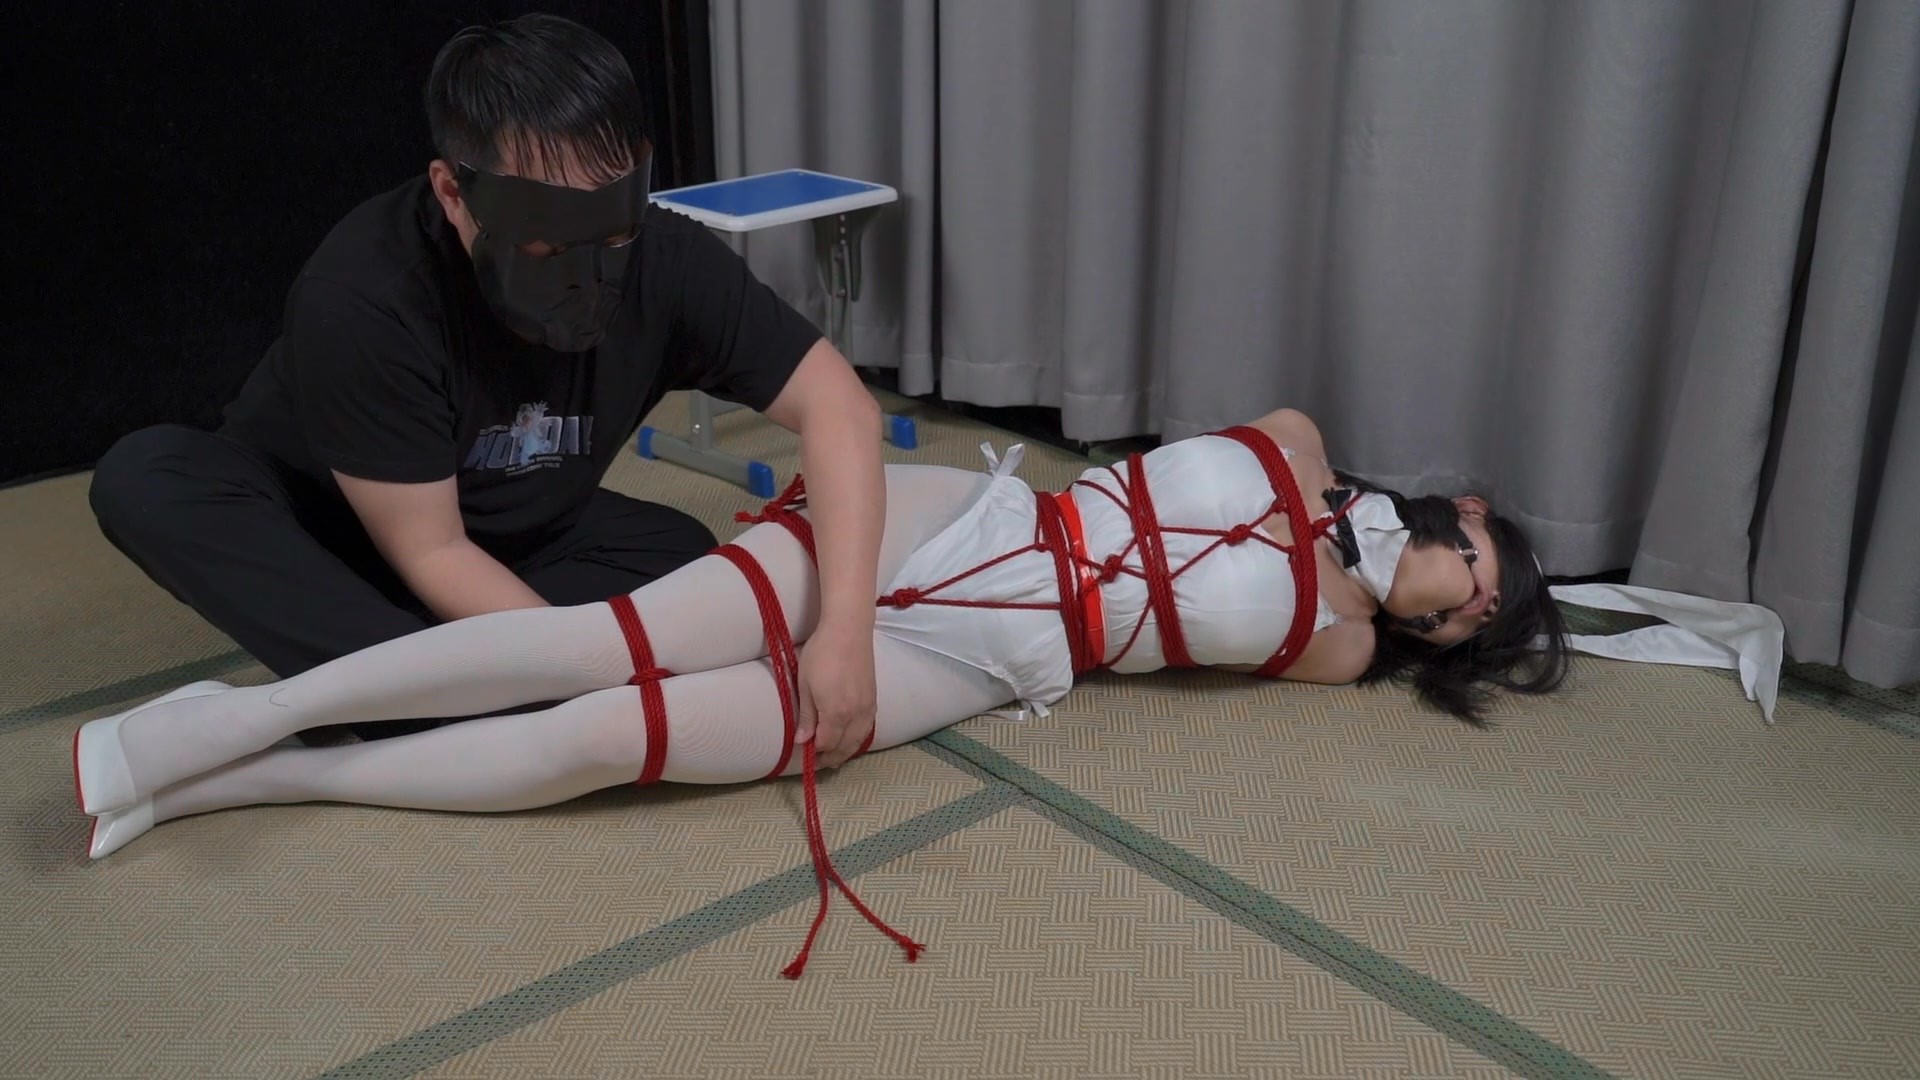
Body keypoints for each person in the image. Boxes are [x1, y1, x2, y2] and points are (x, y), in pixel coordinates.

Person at [73, 406, 1573, 976]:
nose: (1464, 606)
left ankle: (251, 770)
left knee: (611, 739)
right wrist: (1358, 526)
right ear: (1464, 512)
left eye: (1475, 629)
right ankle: (248, 712)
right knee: (613, 642)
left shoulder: (1339, 646)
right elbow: (1261, 490)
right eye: (1482, 574)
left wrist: (1379, 589)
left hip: (991, 663)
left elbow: (1326, 607)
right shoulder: (1296, 444)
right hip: (956, 519)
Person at [83, 14, 890, 754]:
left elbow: (838, 406)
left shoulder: (666, 260)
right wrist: (582, 685)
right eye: (548, 245)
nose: (587, 273)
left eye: (611, 232)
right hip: (336, 542)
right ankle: (423, 686)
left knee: (682, 555)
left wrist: (846, 633)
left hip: (511, 530)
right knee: (149, 479)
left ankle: (410, 684)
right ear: (452, 192)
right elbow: (430, 548)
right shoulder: (365, 292)